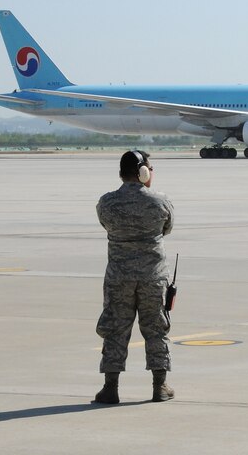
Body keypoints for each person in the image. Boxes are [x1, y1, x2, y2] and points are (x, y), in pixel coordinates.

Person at [93, 150, 175, 404]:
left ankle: (110, 388)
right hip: (153, 276)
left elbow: (106, 225)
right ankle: (159, 386)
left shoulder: (107, 202)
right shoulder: (159, 201)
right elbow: (167, 228)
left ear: (121, 173)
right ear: (144, 172)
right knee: (156, 328)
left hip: (119, 276)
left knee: (115, 329)